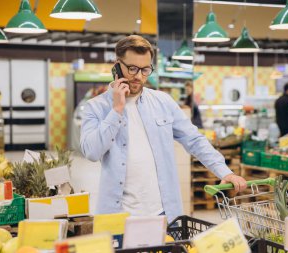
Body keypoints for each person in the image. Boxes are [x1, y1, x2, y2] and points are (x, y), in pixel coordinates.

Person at [80, 35, 247, 223]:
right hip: (117, 217)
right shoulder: (96, 107)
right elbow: (91, 152)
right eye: (132, 68)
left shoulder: (163, 102)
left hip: (163, 216)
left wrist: (225, 172)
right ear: (117, 65)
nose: (138, 76)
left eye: (145, 70)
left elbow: (194, 140)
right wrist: (117, 109)